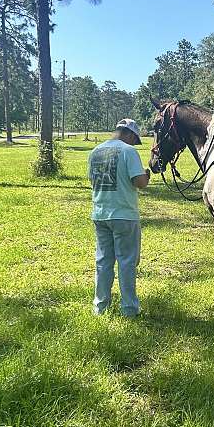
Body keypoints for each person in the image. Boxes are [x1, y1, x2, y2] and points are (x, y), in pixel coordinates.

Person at [88, 118, 150, 317]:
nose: (134, 143)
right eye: (135, 140)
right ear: (130, 135)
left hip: (100, 212)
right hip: (124, 214)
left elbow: (93, 180)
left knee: (103, 262)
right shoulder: (128, 151)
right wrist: (146, 175)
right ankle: (129, 308)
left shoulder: (95, 151)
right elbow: (139, 182)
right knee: (126, 262)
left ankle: (100, 306)